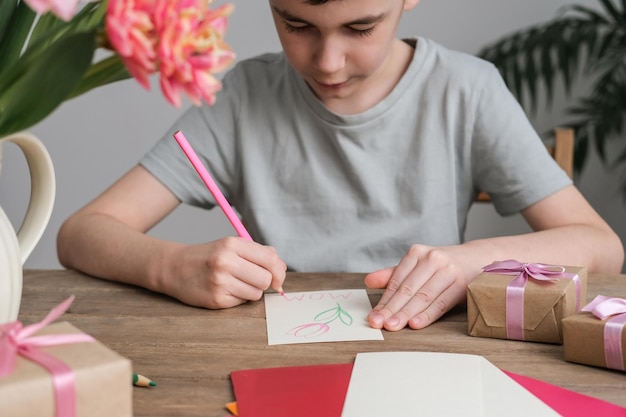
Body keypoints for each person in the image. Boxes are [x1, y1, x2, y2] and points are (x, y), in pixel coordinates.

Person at [57, 0, 624, 332]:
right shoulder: (244, 97)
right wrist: (171, 266)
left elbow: (602, 246)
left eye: (360, 28)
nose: (326, 63)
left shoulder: (468, 92)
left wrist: (471, 262)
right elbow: (81, 235)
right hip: (263, 348)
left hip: (424, 354)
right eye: (296, 24)